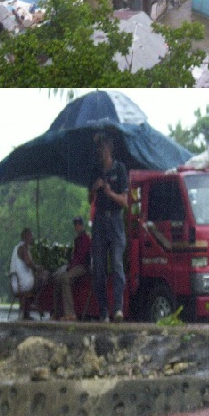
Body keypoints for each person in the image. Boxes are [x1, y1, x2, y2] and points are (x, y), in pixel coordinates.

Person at [88, 132, 129, 322]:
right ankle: (103, 311)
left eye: (103, 147)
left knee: (117, 263)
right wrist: (94, 189)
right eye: (98, 148)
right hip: (99, 222)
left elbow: (125, 201)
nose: (100, 151)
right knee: (99, 268)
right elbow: (89, 200)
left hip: (115, 220)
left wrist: (110, 193)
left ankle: (118, 308)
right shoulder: (95, 169)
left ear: (110, 149)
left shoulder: (119, 169)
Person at [53, 216, 91, 320]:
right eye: (75, 225)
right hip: (75, 266)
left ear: (82, 225)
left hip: (82, 267)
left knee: (65, 278)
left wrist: (70, 267)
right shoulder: (77, 239)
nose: (77, 227)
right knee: (58, 278)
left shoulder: (86, 239)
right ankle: (57, 312)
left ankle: (70, 313)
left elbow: (81, 257)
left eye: (78, 225)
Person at [10, 227, 48, 321]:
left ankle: (28, 309)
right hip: (22, 284)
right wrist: (37, 268)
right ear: (26, 237)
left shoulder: (17, 247)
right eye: (31, 236)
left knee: (39, 278)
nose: (32, 238)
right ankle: (33, 303)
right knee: (44, 278)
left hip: (17, 283)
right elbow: (28, 262)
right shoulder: (23, 248)